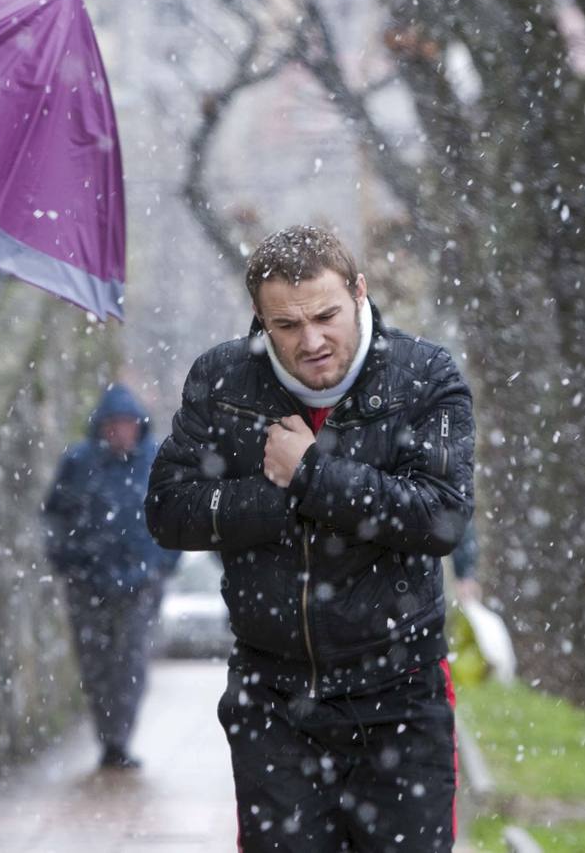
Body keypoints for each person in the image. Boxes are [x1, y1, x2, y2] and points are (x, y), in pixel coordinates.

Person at [145, 225, 475, 851]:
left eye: (326, 316)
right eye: (287, 326)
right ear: (261, 321)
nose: (313, 341)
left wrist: (313, 475)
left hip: (401, 698)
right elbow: (168, 511)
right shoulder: (223, 381)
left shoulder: (424, 376)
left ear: (359, 293)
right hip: (275, 701)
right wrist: (280, 498)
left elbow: (442, 518)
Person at [44, 384, 181, 769]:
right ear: (102, 428)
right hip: (88, 583)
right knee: (96, 664)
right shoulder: (79, 463)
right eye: (115, 425)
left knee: (130, 662)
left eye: (128, 424)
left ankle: (119, 739)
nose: (122, 432)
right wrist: (67, 561)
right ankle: (108, 737)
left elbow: (174, 514)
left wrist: (162, 563)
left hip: (140, 584)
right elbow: (55, 515)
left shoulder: (155, 462)